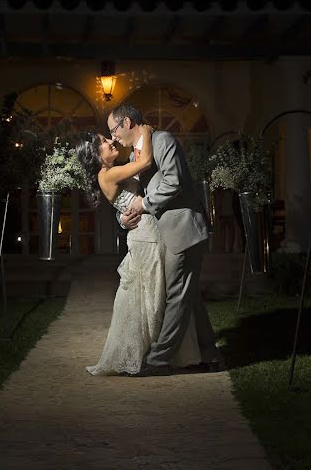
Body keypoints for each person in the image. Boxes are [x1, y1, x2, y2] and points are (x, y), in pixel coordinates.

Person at [76, 124, 202, 376]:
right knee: (148, 295)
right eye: (104, 140)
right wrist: (144, 131)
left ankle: (161, 352)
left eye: (110, 135)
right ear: (95, 153)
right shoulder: (107, 174)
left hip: (152, 231)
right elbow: (145, 162)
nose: (111, 140)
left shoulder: (114, 170)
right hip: (145, 237)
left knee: (157, 293)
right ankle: (149, 354)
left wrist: (122, 218)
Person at [110, 103, 219, 375]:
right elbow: (123, 199)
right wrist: (123, 219)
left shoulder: (163, 140)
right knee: (188, 296)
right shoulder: (136, 154)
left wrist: (144, 205)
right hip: (162, 236)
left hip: (183, 230)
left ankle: (159, 360)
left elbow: (174, 182)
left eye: (113, 130)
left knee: (176, 296)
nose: (113, 137)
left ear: (127, 122)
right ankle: (210, 355)